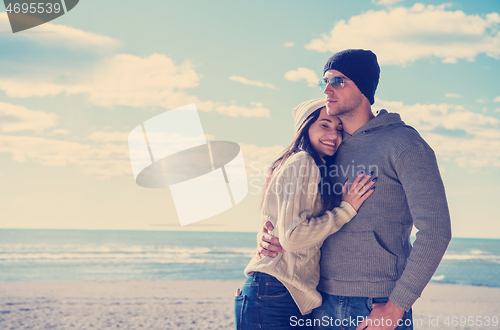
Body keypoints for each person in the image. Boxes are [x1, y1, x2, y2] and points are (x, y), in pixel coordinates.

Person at [256, 49, 452, 330]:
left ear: (363, 87)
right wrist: (266, 233)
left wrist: (397, 306)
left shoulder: (404, 143)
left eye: (338, 80)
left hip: (375, 304)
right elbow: (291, 207)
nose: (326, 89)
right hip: (317, 303)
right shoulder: (324, 149)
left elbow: (436, 230)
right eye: (324, 81)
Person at [234, 99, 376, 330]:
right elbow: (292, 236)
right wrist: (346, 209)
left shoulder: (301, 164)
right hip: (275, 294)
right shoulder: (304, 161)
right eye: (325, 125)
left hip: (276, 293)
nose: (334, 134)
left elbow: (275, 226)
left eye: (339, 128)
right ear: (305, 127)